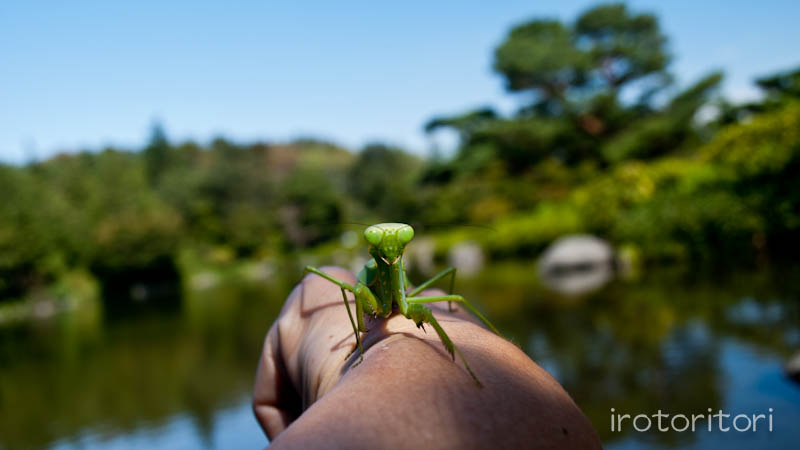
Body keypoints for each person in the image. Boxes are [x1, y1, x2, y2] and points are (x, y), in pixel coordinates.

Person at [253, 266, 602, 449]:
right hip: (366, 304)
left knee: (455, 297)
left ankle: (465, 360)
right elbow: (354, 291)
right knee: (321, 275)